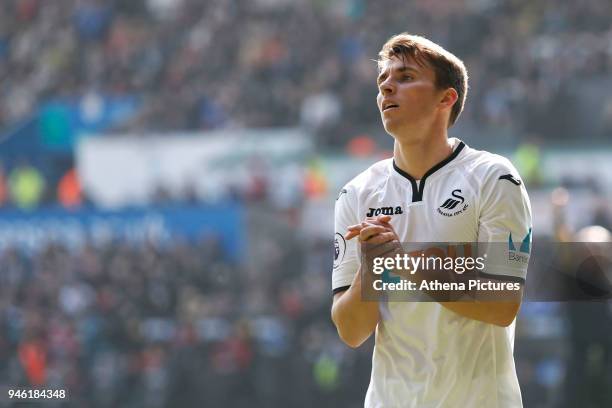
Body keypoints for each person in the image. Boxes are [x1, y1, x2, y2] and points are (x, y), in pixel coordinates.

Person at [331, 33, 532, 407]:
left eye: (405, 77)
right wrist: (372, 268)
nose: (388, 86)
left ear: (446, 97)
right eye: (383, 81)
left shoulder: (494, 178)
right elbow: (351, 330)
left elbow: (502, 303)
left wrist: (403, 263)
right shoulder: (357, 194)